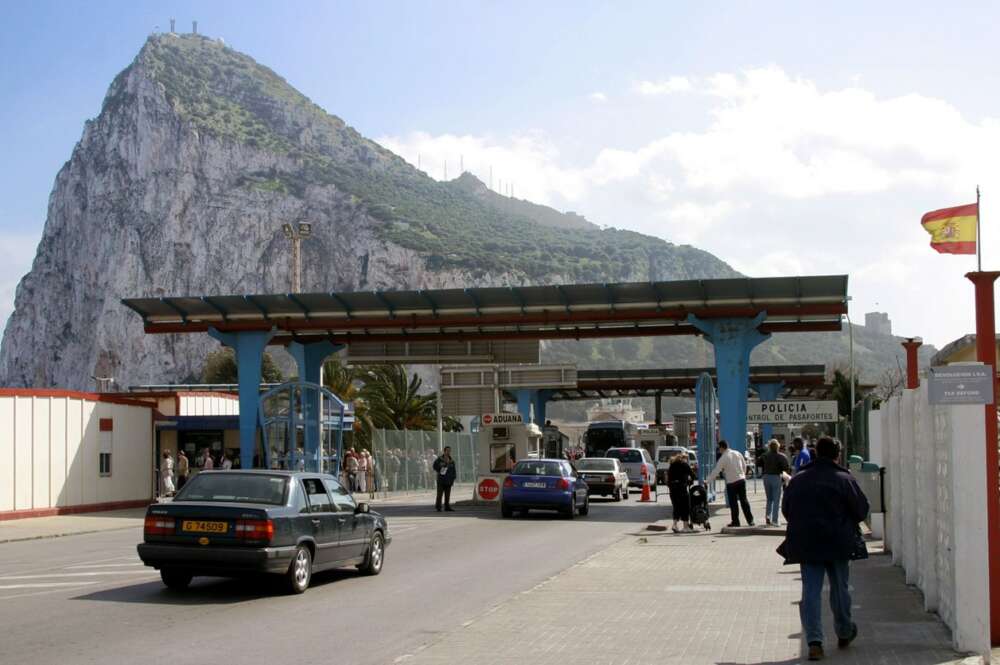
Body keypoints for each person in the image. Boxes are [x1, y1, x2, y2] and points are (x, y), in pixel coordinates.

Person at [780, 436, 869, 661]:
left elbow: (787, 510)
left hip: (806, 543)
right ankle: (844, 631)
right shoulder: (844, 478)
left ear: (816, 453)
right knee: (840, 588)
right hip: (839, 542)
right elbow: (861, 510)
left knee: (811, 591)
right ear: (837, 454)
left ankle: (815, 642)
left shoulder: (798, 479)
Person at [706, 440, 754, 527]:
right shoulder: (737, 453)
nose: (718, 450)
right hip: (741, 480)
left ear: (721, 447)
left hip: (731, 482)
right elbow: (744, 465)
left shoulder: (723, 458)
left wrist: (707, 481)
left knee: (733, 503)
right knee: (744, 501)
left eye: (719, 448)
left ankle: (736, 521)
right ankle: (750, 520)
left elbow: (716, 471)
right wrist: (743, 474)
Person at [760, 439, 791, 526]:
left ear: (769, 447)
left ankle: (767, 517)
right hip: (776, 477)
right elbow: (786, 467)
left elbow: (758, 462)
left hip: (766, 477)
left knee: (769, 499)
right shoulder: (781, 456)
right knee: (776, 499)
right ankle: (775, 520)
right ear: (778, 447)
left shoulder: (764, 455)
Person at [666, 451, 695, 532]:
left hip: (672, 489)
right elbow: (693, 475)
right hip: (681, 489)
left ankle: (674, 525)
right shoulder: (684, 464)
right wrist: (690, 482)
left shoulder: (672, 465)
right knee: (685, 507)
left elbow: (668, 478)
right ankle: (685, 527)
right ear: (684, 458)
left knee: (676, 507)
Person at [432, 446, 457, 512]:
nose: (448, 452)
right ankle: (438, 507)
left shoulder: (451, 460)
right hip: (441, 480)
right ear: (444, 451)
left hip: (448, 480)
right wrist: (440, 470)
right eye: (447, 450)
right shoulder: (439, 459)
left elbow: (454, 470)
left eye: (449, 451)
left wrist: (454, 477)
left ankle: (447, 506)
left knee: (447, 494)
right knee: (439, 494)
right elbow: (434, 466)